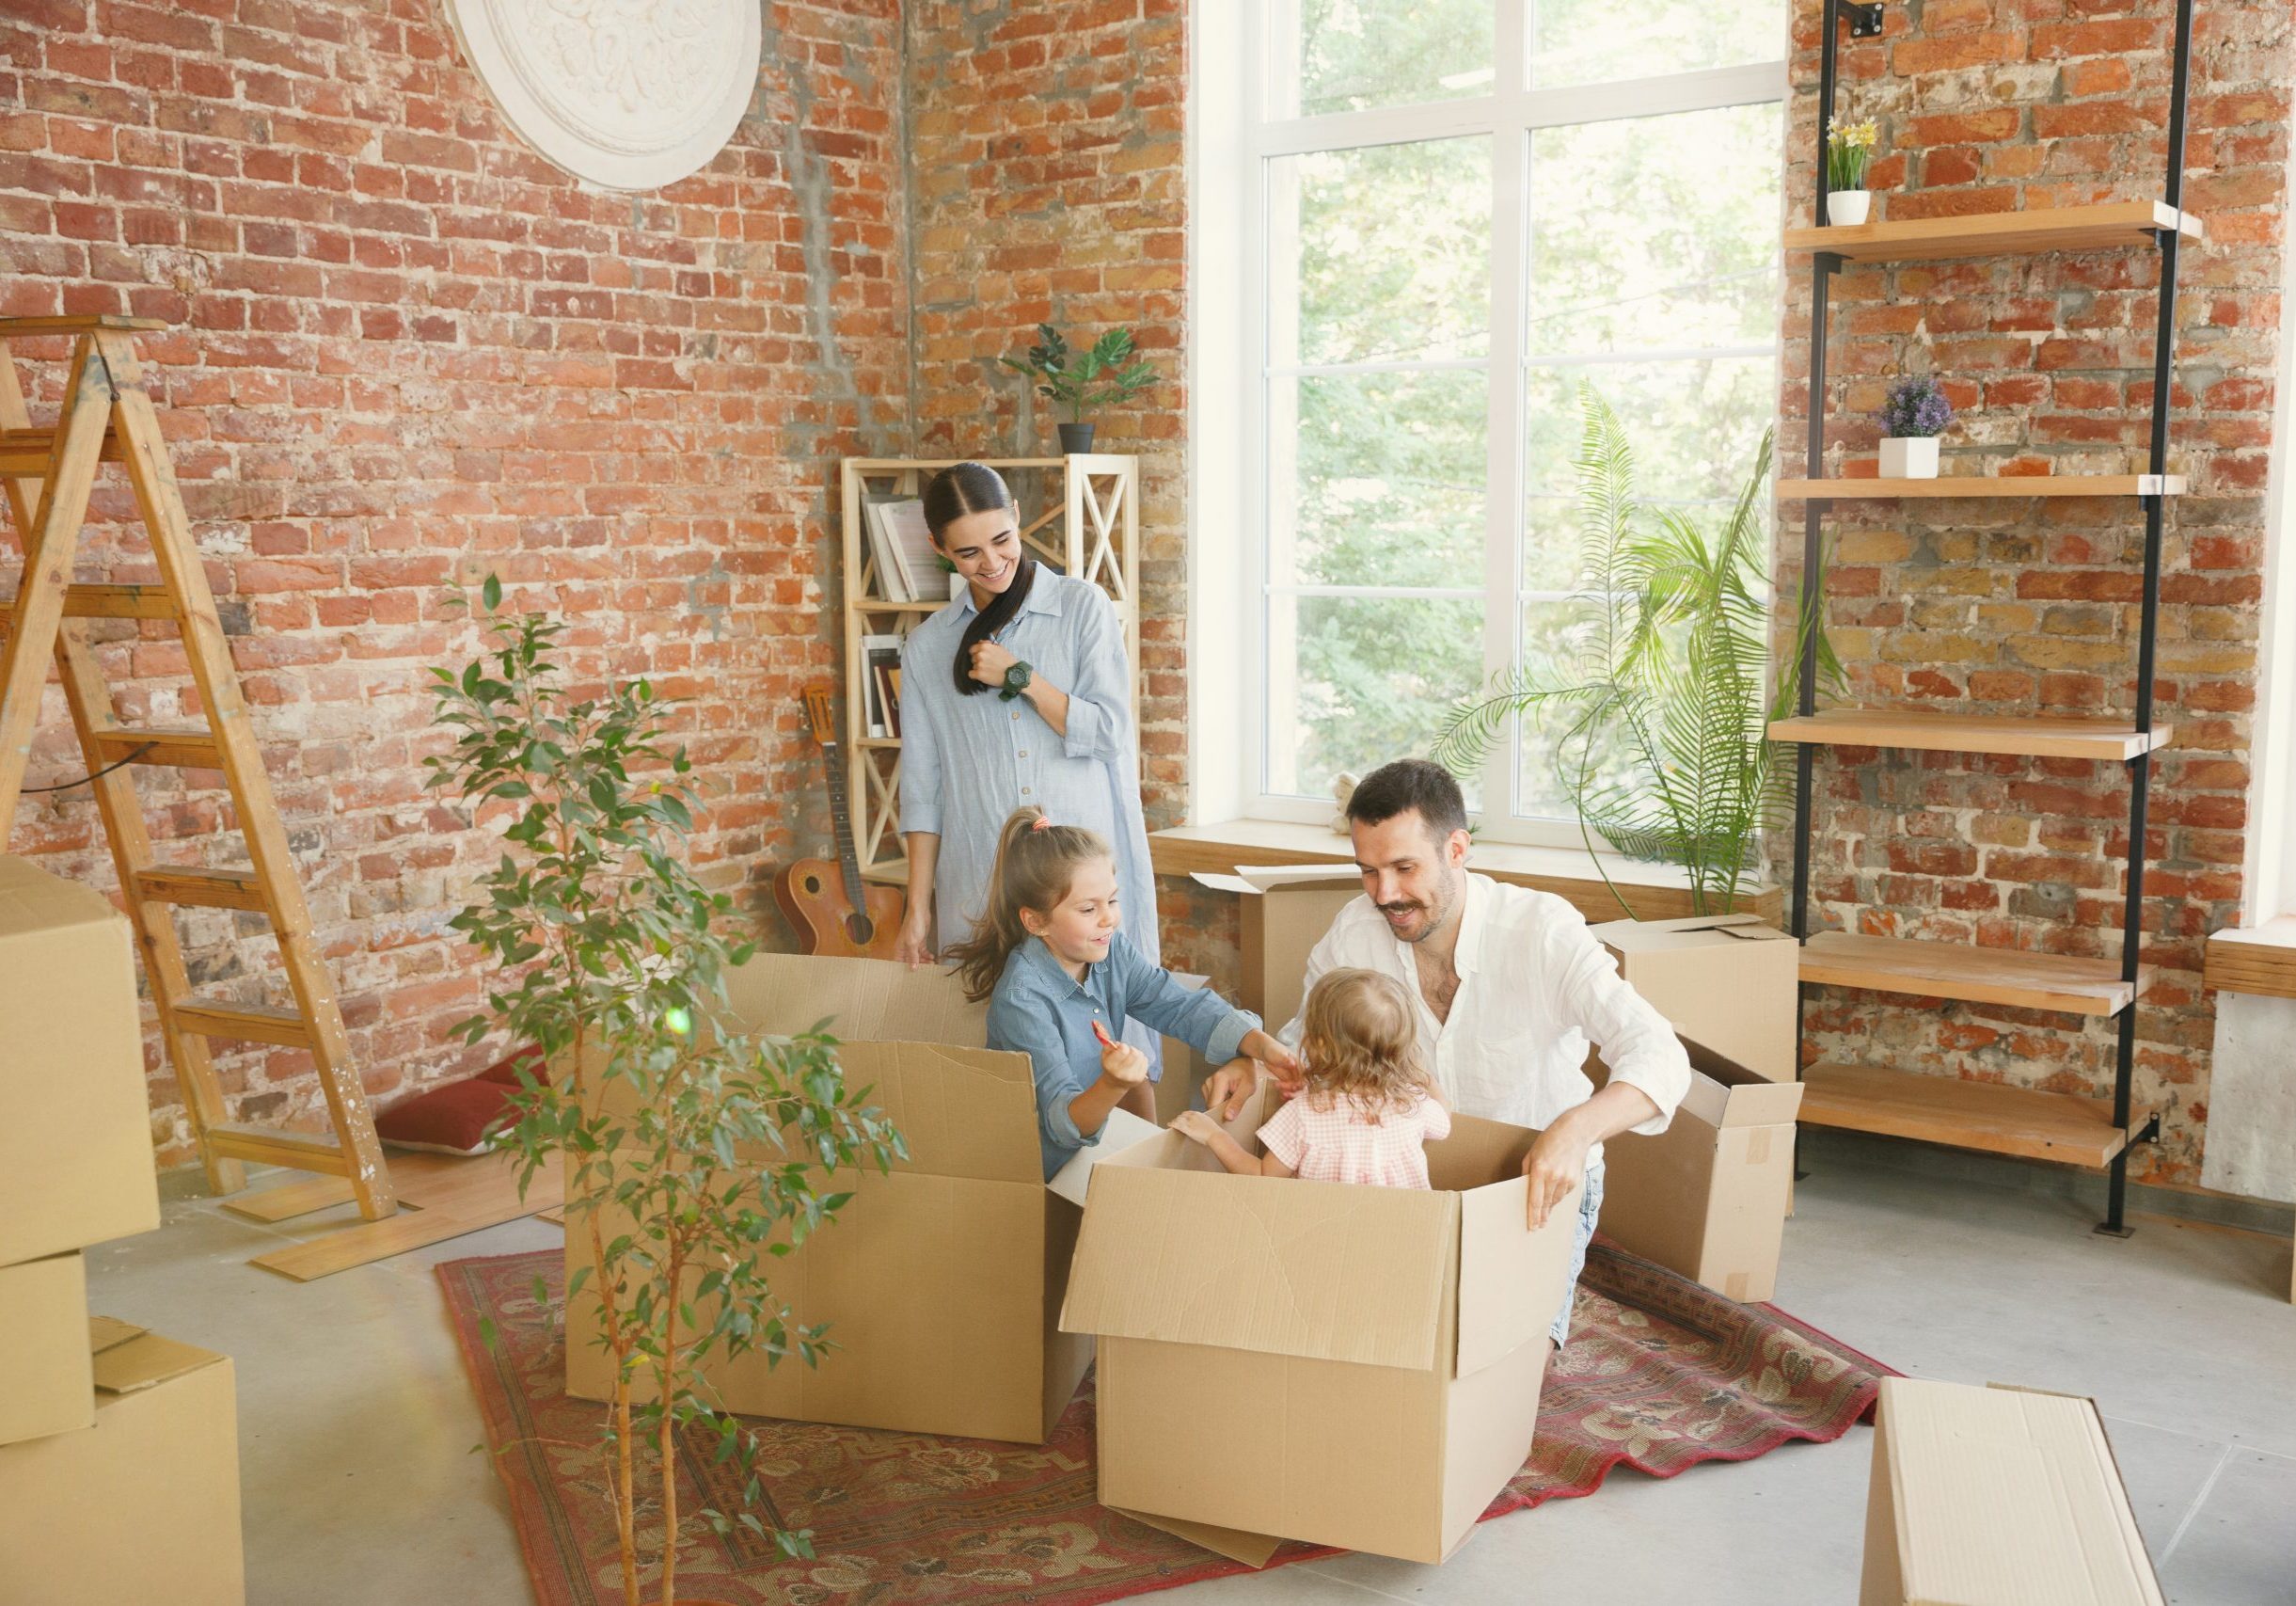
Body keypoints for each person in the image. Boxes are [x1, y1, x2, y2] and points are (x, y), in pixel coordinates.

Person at [1200, 758, 1691, 1349]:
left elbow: (1659, 1054)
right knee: (1353, 1341)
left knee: (1500, 1358)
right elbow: (1305, 1039)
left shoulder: (1543, 930)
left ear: (1457, 849)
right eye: (1368, 871)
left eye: (1404, 868)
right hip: (1399, 1188)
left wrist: (1575, 1130)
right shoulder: (1354, 931)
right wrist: (1251, 1062)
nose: (1385, 894)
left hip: (1529, 1185)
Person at [893, 461, 1164, 1071]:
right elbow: (923, 787)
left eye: (1002, 540)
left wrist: (1019, 676)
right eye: (968, 552)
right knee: (993, 1062)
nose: (991, 562)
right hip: (980, 885)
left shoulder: (1081, 608)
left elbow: (1110, 732)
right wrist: (917, 908)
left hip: (1082, 886)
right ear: (939, 548)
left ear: (1017, 516)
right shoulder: (928, 647)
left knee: (1110, 1047)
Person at [951, 807, 1302, 1181]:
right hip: (1041, 1169)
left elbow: (1178, 1006)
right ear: (1036, 922)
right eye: (1089, 908)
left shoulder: (1111, 950)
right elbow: (1060, 1126)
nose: (1109, 919)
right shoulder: (1021, 1000)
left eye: (1112, 900)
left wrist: (1261, 1045)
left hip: (1098, 1145)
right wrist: (1114, 1084)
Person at [1173, 967, 1449, 1188]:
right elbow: (1444, 1121)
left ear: (1318, 1045)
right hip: (1401, 1233)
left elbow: (1263, 1176)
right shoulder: (1412, 1106)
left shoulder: (1302, 1115)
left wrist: (1214, 1136)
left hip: (1322, 1235)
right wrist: (1421, 1075)